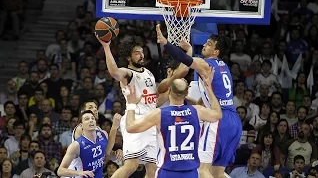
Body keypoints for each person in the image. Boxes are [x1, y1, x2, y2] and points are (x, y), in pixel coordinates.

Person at [156, 24, 242, 178]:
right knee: (217, 172)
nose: (204, 45)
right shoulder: (224, 67)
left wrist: (165, 42)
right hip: (234, 121)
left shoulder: (206, 64)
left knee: (201, 170)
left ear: (216, 51)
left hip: (219, 121)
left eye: (209, 44)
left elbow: (184, 59)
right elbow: (209, 98)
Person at [125, 71, 222, 177]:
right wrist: (208, 88)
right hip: (190, 173)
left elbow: (130, 127)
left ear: (169, 91)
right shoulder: (197, 111)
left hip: (168, 172)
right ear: (187, 93)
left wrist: (131, 105)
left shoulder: (159, 114)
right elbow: (218, 114)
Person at [97, 35, 158, 177]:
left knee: (152, 168)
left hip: (150, 122)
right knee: (131, 165)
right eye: (137, 53)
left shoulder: (148, 73)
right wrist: (106, 47)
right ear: (129, 57)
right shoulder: (128, 73)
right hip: (134, 120)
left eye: (142, 52)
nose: (141, 55)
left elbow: (154, 100)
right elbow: (114, 72)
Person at [65, 100, 121, 178]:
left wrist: (115, 153)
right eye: (91, 107)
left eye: (96, 107)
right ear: (83, 112)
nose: (95, 109)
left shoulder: (100, 131)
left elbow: (106, 152)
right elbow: (94, 152)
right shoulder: (80, 128)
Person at [58, 110, 110, 177]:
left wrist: (116, 153)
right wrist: (79, 173)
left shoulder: (103, 135)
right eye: (87, 119)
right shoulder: (76, 145)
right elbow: (60, 171)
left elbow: (107, 154)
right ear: (81, 125)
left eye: (92, 118)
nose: (91, 120)